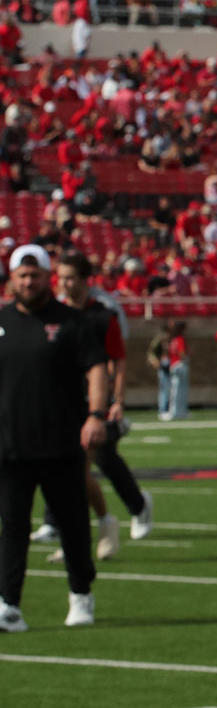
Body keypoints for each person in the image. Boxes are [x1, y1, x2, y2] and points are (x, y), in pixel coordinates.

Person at [0, 245, 108, 632]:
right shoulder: (1, 320)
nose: (29, 282)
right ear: (12, 278)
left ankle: (81, 594)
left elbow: (97, 368)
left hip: (61, 441)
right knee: (12, 527)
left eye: (36, 275)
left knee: (73, 523)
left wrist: (96, 414)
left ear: (48, 277)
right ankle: (9, 604)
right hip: (10, 445)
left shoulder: (71, 322)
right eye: (22, 275)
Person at [33, 254, 155, 562]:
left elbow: (118, 360)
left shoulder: (103, 315)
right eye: (60, 277)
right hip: (62, 401)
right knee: (68, 469)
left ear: (86, 279)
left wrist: (117, 401)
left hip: (94, 404)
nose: (64, 283)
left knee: (87, 465)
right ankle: (84, 526)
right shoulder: (51, 313)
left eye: (70, 277)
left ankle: (113, 518)